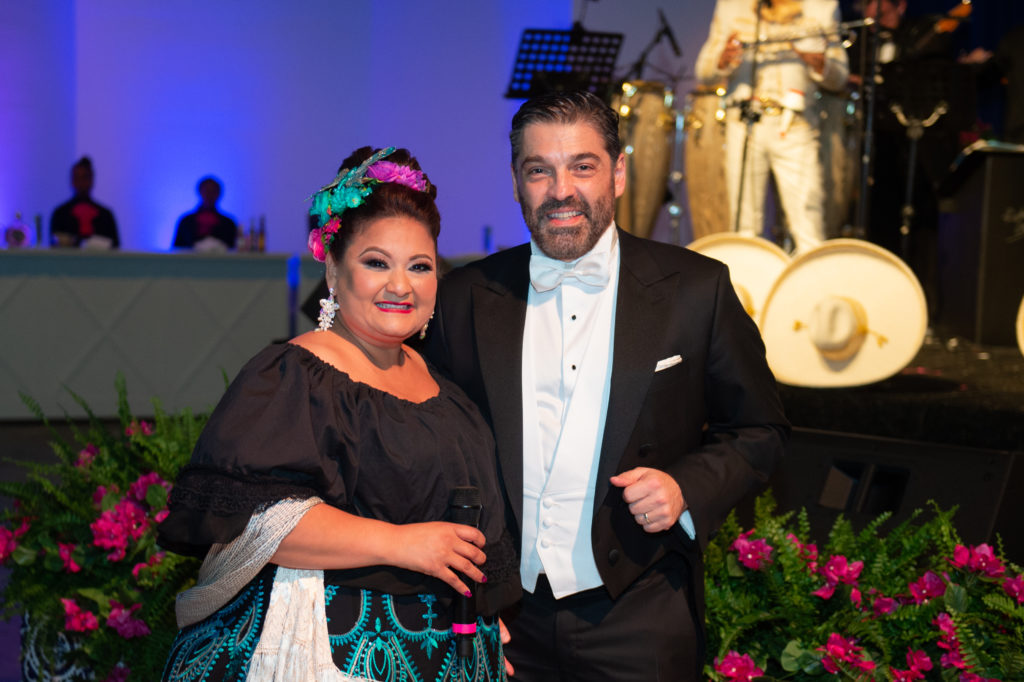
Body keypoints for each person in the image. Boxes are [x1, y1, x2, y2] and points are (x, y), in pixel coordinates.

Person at [421, 91, 789, 681]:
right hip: (508, 620)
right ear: (516, 182)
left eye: (582, 166)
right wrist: (469, 599)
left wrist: (684, 486)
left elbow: (760, 429)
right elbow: (431, 450)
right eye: (539, 170)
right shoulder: (464, 297)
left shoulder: (697, 289)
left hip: (642, 611)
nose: (560, 189)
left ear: (618, 173)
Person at [157, 146, 520, 681]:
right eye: (376, 262)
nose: (401, 285)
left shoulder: (446, 391)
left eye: (420, 266)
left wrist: (483, 619)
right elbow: (256, 521)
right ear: (332, 269)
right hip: (331, 651)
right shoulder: (296, 373)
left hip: (450, 654)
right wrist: (402, 542)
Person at [695, 0, 849, 254]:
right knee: (744, 230)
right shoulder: (732, 5)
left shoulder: (821, 6)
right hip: (744, 123)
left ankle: (807, 290)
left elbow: (840, 76)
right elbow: (704, 71)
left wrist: (819, 63)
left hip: (795, 125)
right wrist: (722, 60)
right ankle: (747, 292)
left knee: (808, 229)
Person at [50, 156, 120, 249]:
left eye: (85, 177)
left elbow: (115, 248)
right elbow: (54, 247)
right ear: (72, 181)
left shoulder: (105, 215)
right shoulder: (60, 214)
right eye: (77, 178)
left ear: (92, 180)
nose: (81, 183)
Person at [172, 176, 238, 251]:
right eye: (207, 191)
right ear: (200, 192)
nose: (209, 195)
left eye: (213, 191)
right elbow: (176, 249)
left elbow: (234, 250)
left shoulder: (228, 223)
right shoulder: (186, 221)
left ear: (219, 194)